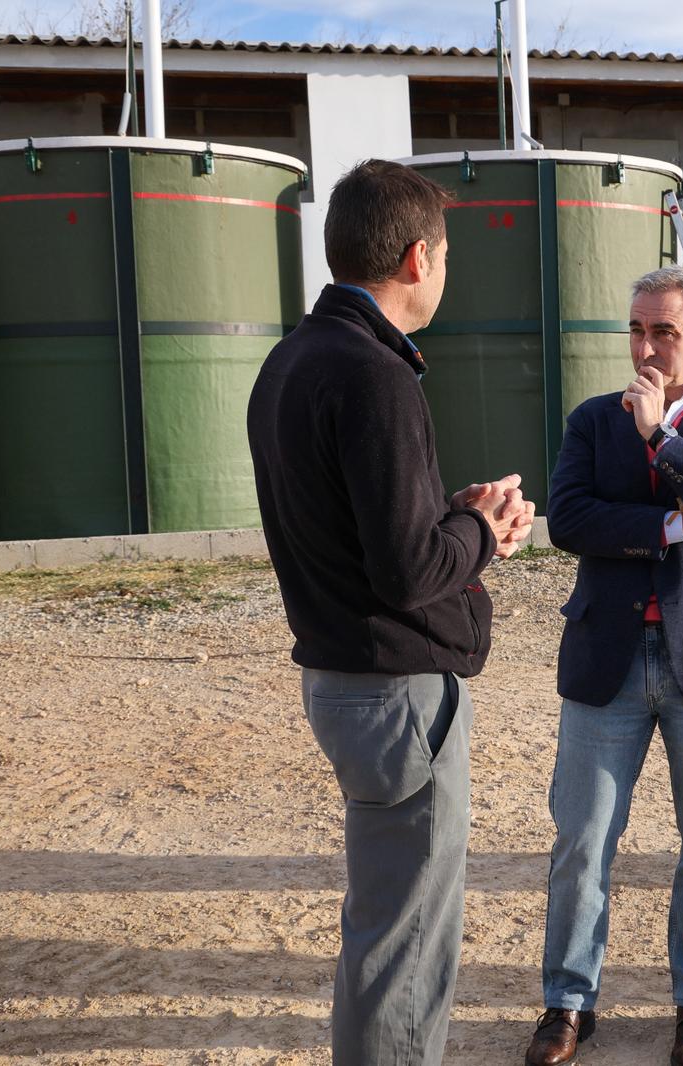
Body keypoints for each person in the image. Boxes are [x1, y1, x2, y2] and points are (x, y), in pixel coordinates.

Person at [246, 159, 536, 1065]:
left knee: (382, 931)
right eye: (446, 256)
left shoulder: (292, 359)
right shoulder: (375, 376)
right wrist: (484, 533)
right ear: (418, 258)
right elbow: (412, 569)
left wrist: (454, 515)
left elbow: (365, 531)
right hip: (397, 696)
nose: (445, 272)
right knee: (405, 952)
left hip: (344, 682)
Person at [524, 266, 683, 1066]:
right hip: (608, 655)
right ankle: (569, 1003)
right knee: (582, 841)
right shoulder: (591, 420)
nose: (644, 346)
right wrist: (674, 523)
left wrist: (661, 439)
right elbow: (568, 518)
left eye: (662, 332)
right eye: (636, 329)